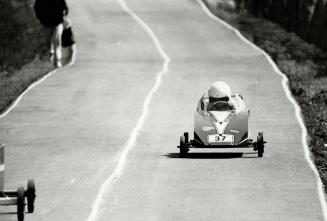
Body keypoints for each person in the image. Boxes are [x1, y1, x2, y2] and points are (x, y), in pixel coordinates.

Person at [34, 0, 69, 68]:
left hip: (58, 23)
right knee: (48, 41)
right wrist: (41, 18)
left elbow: (65, 8)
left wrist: (64, 15)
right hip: (46, 23)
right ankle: (51, 52)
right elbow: (36, 8)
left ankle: (57, 61)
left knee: (57, 41)